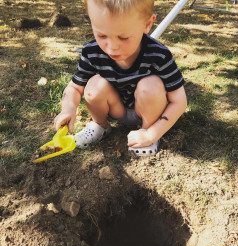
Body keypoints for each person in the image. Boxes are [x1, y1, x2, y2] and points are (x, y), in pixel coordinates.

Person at [54, 0, 187, 156]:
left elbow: (179, 101)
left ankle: (146, 131)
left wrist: (153, 133)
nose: (112, 46)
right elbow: (75, 87)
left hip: (147, 109)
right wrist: (68, 109)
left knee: (150, 86)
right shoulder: (92, 52)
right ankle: (100, 126)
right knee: (93, 85)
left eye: (123, 37)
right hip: (115, 108)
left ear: (147, 24)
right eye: (101, 35)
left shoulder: (159, 55)